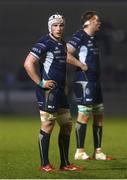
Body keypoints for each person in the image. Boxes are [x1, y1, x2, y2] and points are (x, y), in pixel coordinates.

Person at [24, 13, 82, 172]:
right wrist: (40, 82)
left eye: (61, 25)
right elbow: (28, 63)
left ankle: (65, 164)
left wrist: (64, 85)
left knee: (67, 125)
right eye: (55, 25)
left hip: (60, 92)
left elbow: (61, 67)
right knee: (48, 124)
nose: (58, 28)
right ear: (50, 26)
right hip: (48, 92)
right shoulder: (44, 42)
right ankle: (45, 164)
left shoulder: (63, 43)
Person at [67, 11, 114, 160]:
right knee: (84, 114)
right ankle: (79, 151)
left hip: (95, 81)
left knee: (99, 114)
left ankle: (98, 151)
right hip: (84, 80)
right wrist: (80, 64)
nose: (99, 22)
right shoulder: (79, 36)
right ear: (88, 22)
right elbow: (65, 52)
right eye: (96, 20)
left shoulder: (95, 38)